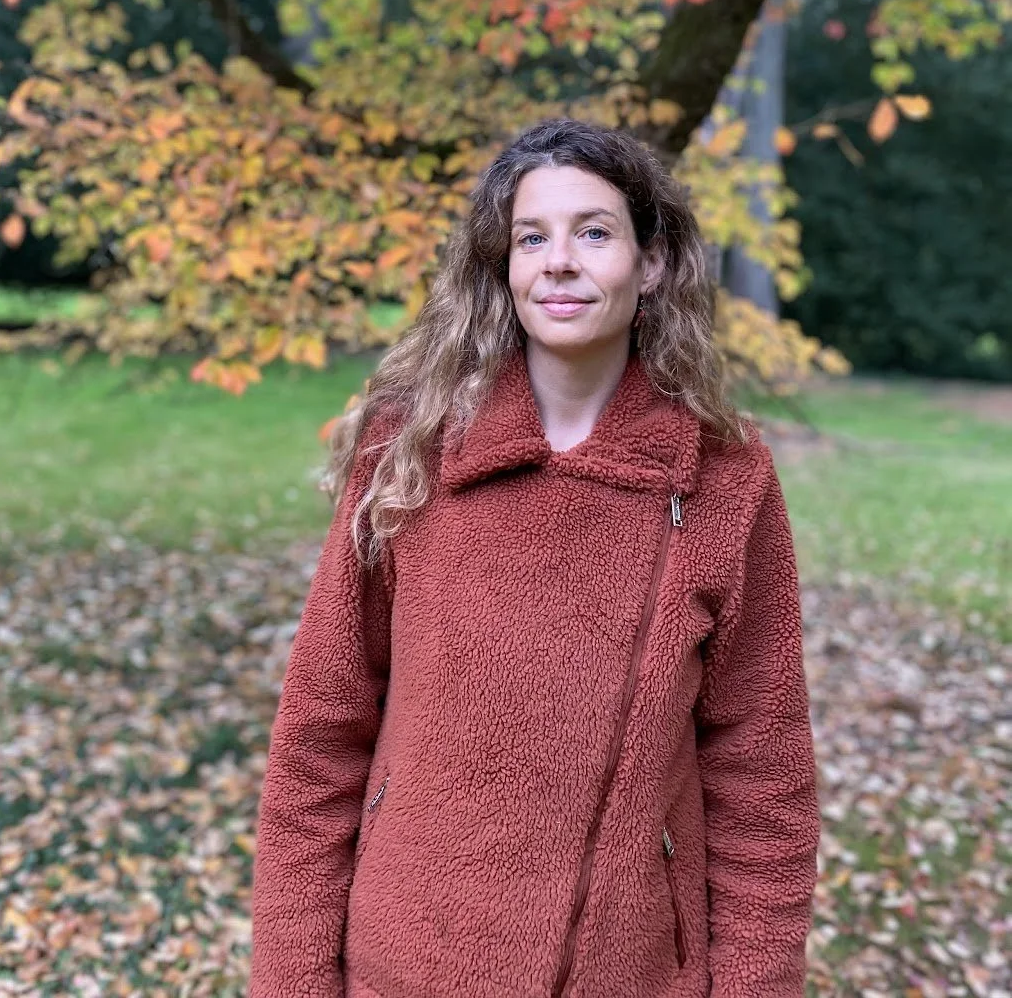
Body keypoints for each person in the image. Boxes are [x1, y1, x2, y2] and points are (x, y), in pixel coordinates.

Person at [249, 117, 820, 998]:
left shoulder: (723, 478)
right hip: (406, 962)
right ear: (504, 267)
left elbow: (761, 770)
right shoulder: (408, 453)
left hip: (630, 974)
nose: (559, 261)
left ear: (652, 262)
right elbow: (320, 738)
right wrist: (292, 980)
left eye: (593, 232)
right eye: (531, 237)